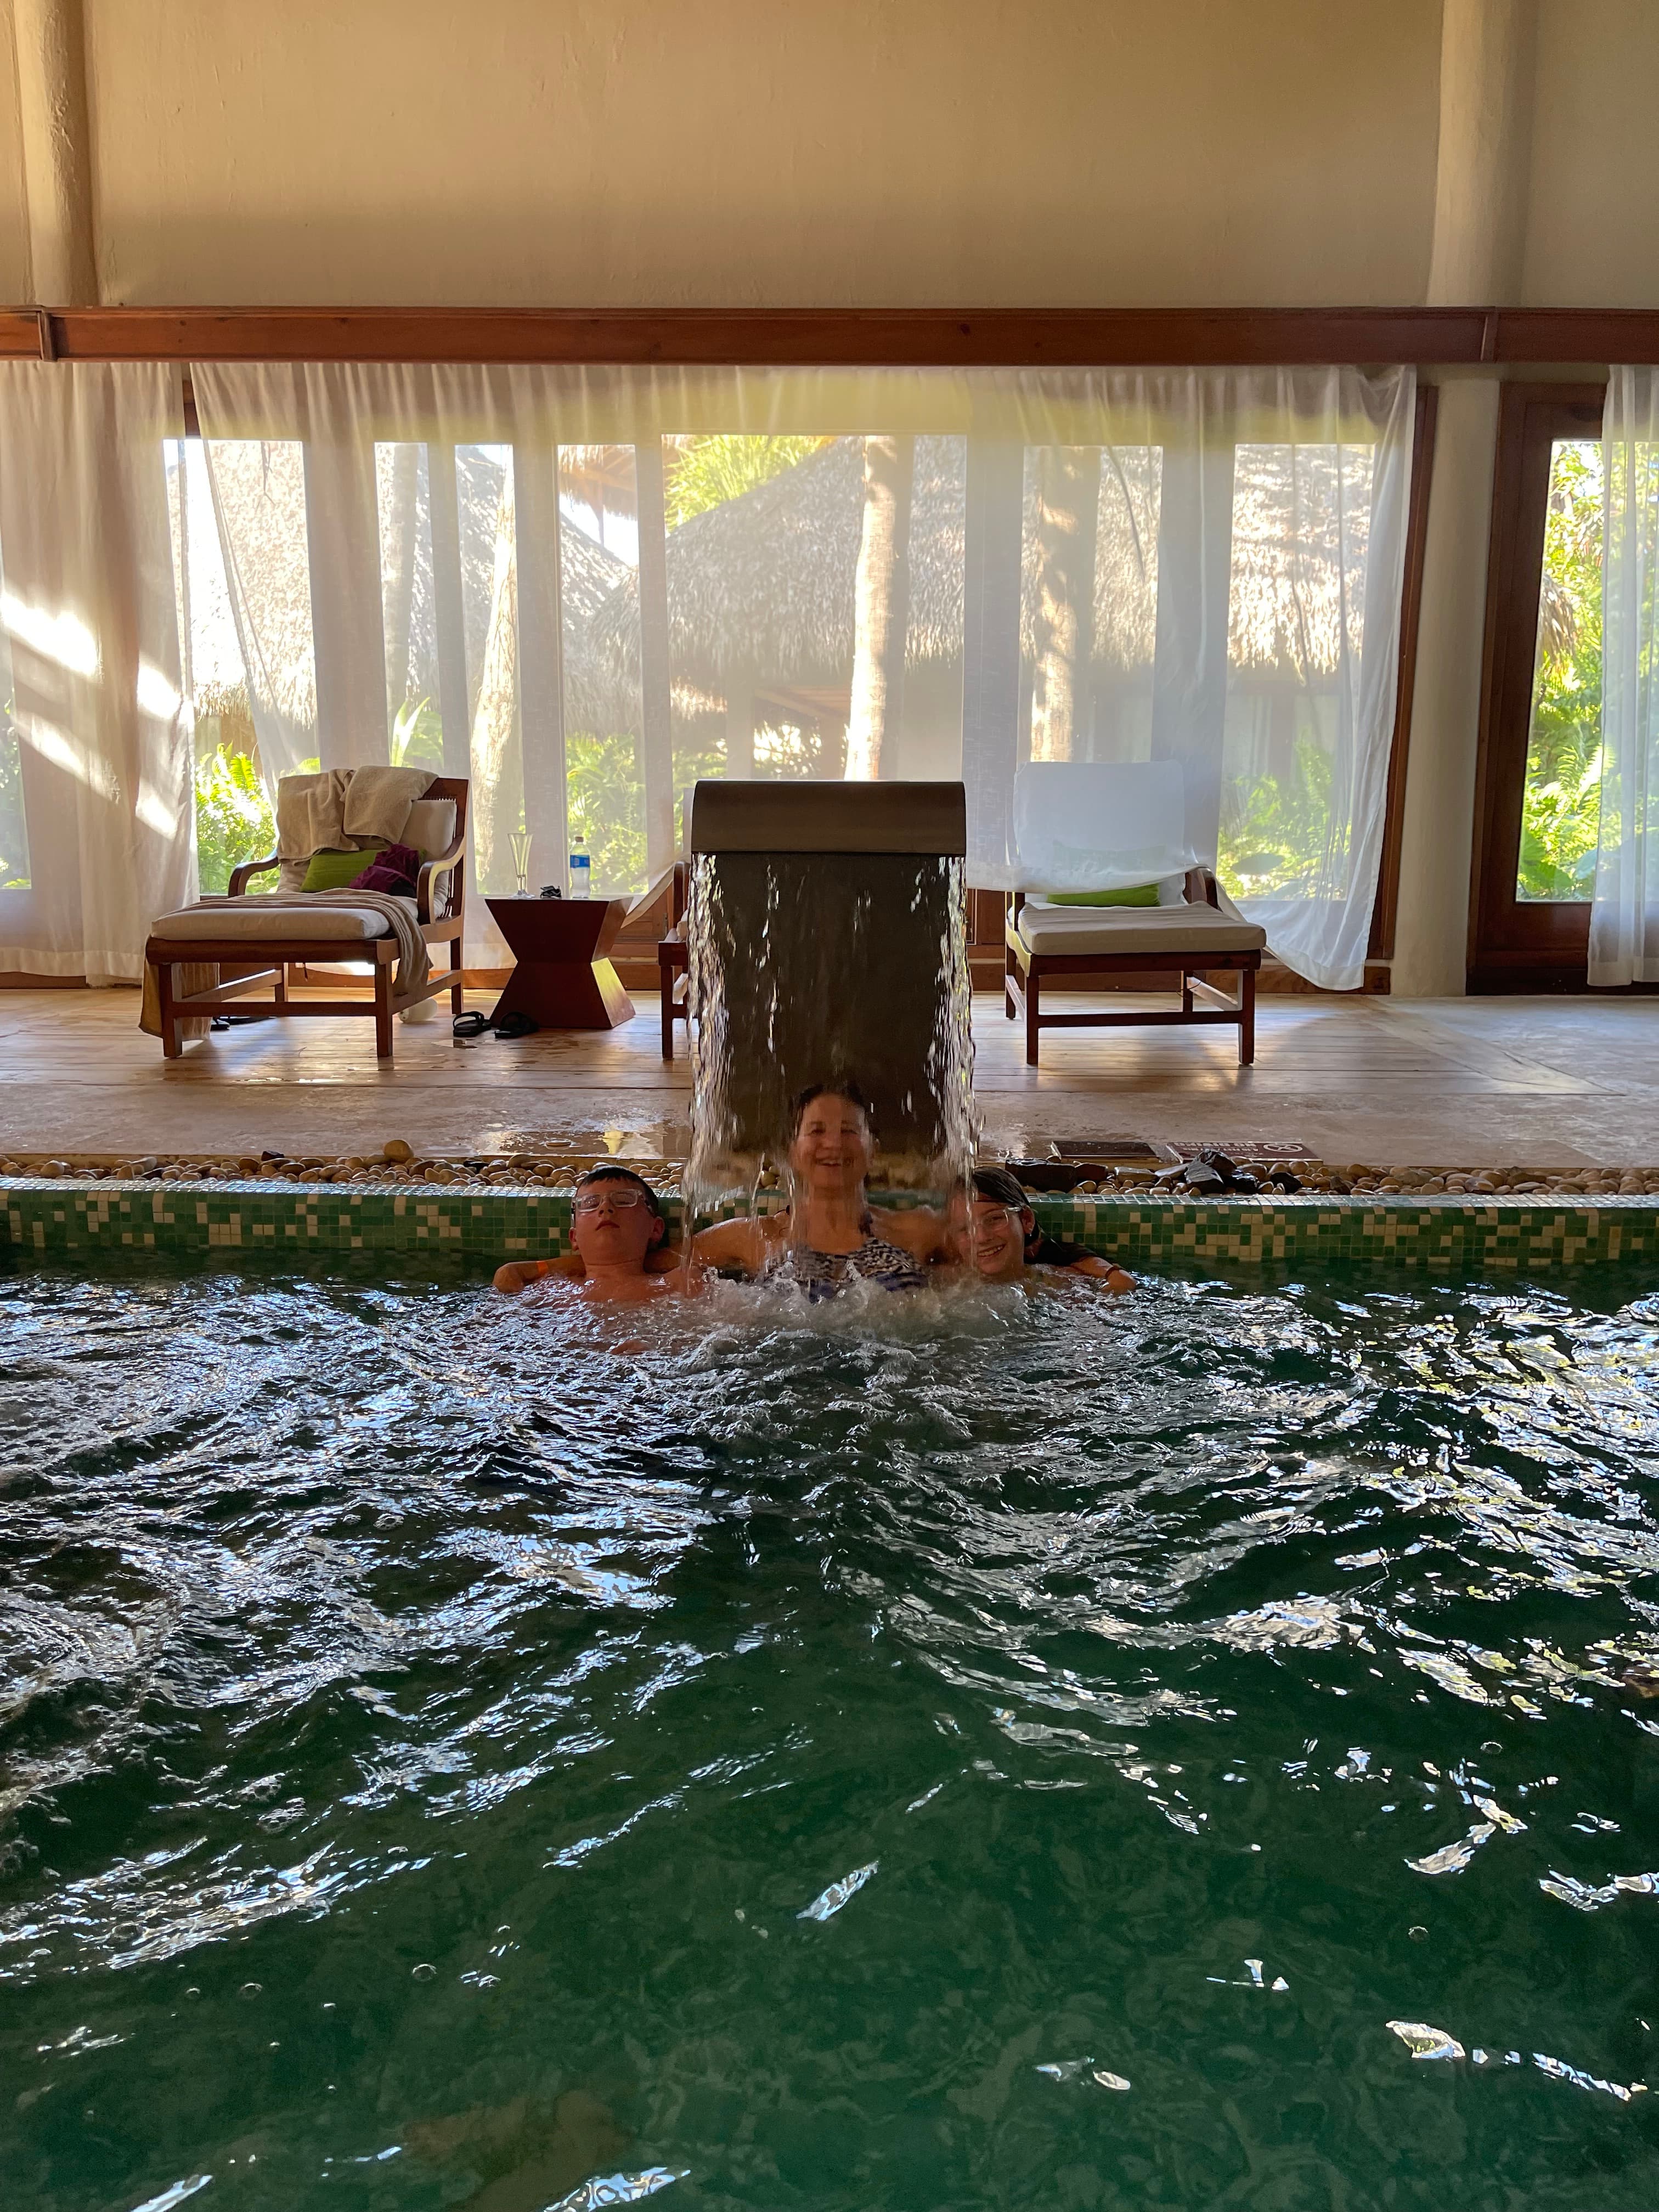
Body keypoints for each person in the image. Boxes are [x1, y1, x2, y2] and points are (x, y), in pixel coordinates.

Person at [692, 1080, 946, 1297]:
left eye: (849, 1131)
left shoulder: (916, 1231)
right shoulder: (755, 1238)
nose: (834, 1144)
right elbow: (661, 1269)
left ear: (873, 1151)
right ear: (793, 1152)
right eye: (817, 1131)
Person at [493, 1165, 681, 1305]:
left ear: (655, 1229)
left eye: (624, 1200)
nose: (605, 1208)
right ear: (574, 1238)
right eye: (590, 1204)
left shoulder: (682, 1283)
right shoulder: (549, 1291)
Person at [945, 1165, 1134, 1292]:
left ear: (1026, 1220)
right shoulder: (939, 1289)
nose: (981, 1237)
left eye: (995, 1219)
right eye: (964, 1229)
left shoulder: (1060, 1286)